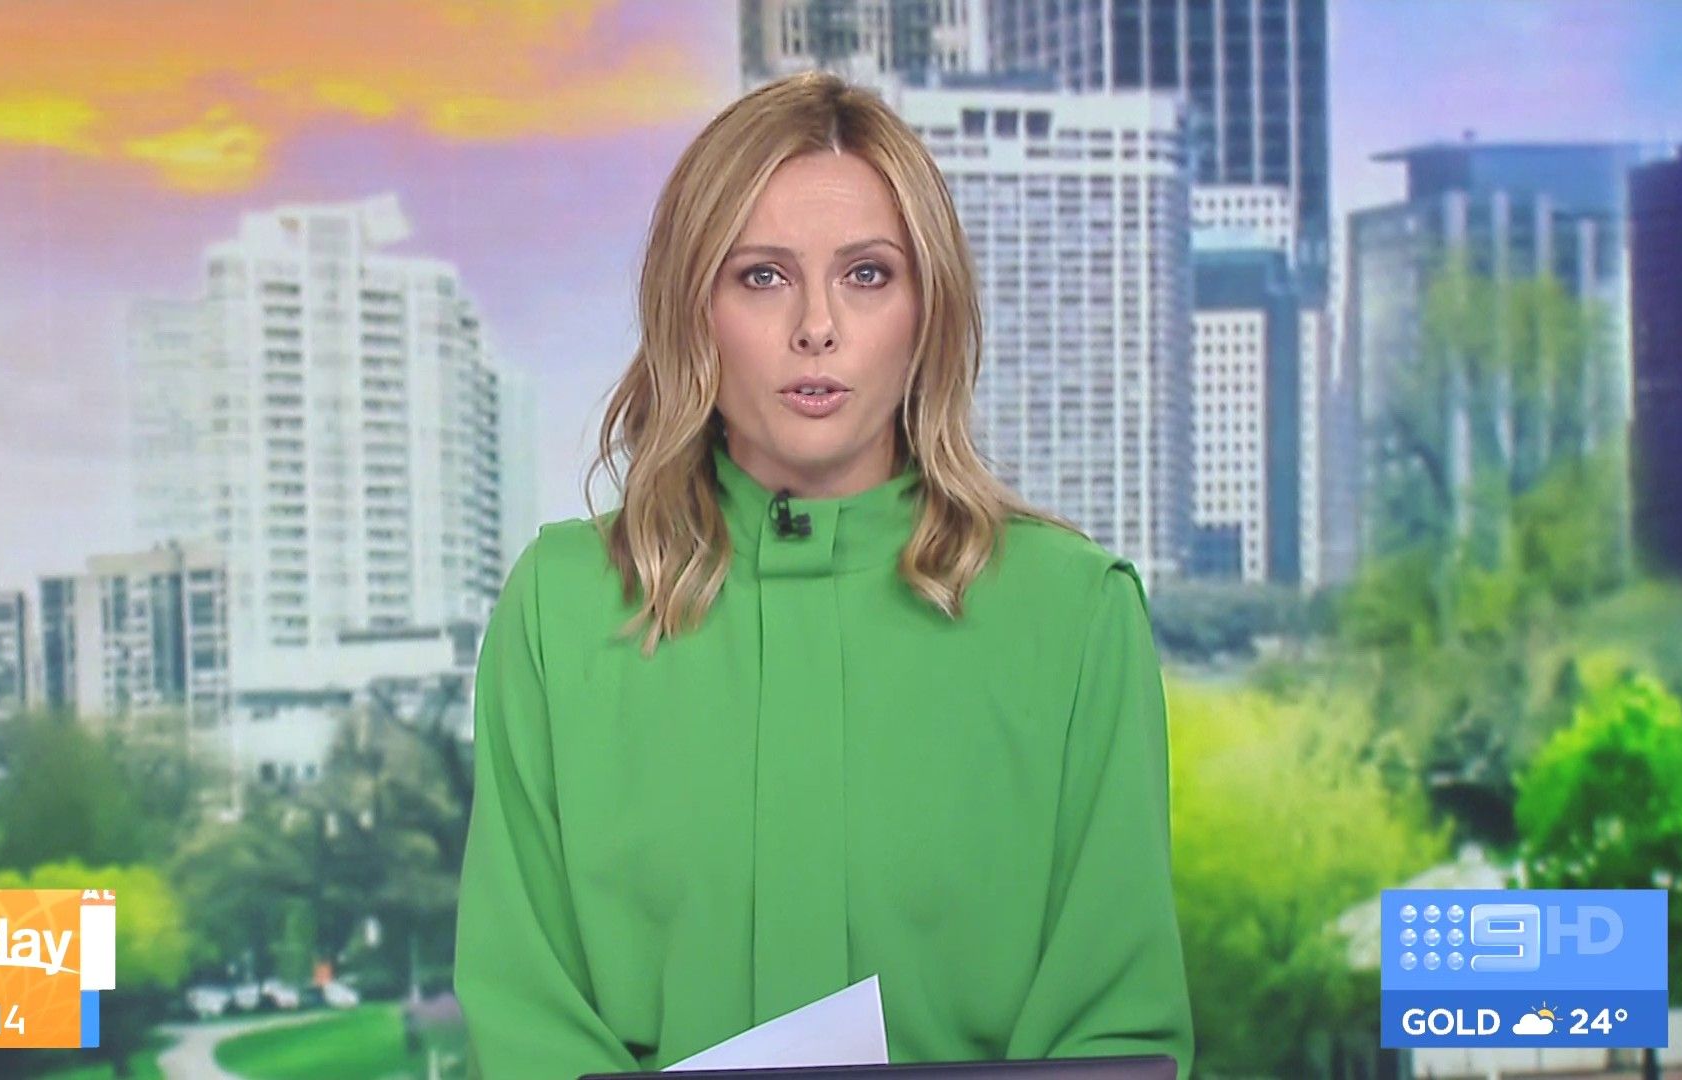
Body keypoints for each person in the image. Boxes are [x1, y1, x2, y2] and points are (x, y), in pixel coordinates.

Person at [453, 71, 1194, 1078]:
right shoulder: (561, 608)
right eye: (762, 276)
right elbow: (524, 1023)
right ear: (692, 308)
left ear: (928, 310)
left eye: (868, 275)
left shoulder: (1074, 615)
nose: (817, 326)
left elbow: (1114, 1033)